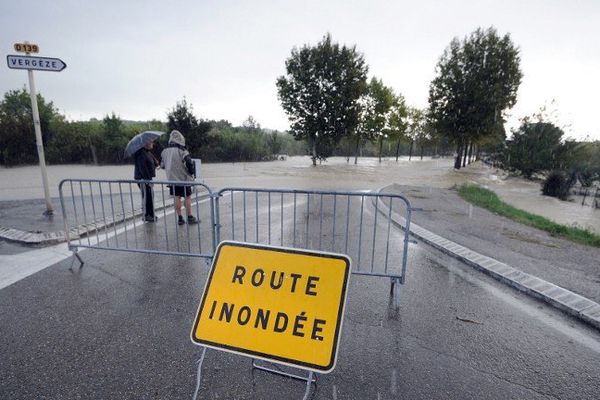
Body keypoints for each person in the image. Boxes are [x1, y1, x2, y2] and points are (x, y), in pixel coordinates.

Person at [161, 130, 198, 225]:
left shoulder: (164, 152)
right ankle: (189, 216)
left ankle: (180, 218)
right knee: (188, 197)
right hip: (183, 178)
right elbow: (189, 163)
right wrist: (192, 172)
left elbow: (162, 166)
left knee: (177, 197)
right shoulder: (182, 151)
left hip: (172, 179)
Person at [134, 140, 159, 222]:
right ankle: (147, 215)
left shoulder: (147, 153)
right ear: (145, 144)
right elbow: (143, 169)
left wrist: (155, 162)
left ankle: (151, 214)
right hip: (143, 179)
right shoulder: (141, 154)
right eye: (151, 142)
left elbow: (153, 164)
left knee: (150, 196)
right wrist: (148, 181)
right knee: (147, 197)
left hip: (147, 179)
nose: (153, 144)